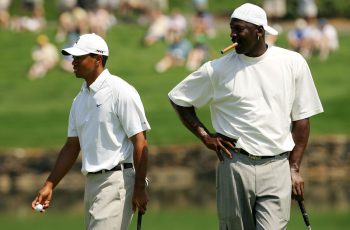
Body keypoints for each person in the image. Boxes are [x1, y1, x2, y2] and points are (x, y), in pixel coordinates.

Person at [168, 3, 323, 230]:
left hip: (277, 165)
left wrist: (294, 168)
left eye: (238, 29)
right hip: (235, 165)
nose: (232, 34)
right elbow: (178, 98)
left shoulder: (292, 63)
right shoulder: (216, 69)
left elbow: (302, 120)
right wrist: (205, 136)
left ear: (259, 31)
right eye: (231, 28)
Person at [31, 33, 151, 230]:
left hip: (117, 182)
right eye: (73, 57)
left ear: (97, 58)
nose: (73, 62)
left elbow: (140, 142)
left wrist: (139, 188)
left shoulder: (120, 91)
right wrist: (49, 184)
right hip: (92, 184)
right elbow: (71, 146)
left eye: (79, 57)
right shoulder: (79, 100)